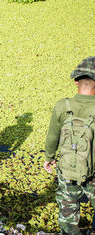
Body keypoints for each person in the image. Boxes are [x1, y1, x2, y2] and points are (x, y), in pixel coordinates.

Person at [44, 56, 95, 235]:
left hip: (67, 170)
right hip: (94, 173)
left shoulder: (62, 106)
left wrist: (49, 158)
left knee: (67, 211)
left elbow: (52, 137)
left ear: (76, 81)